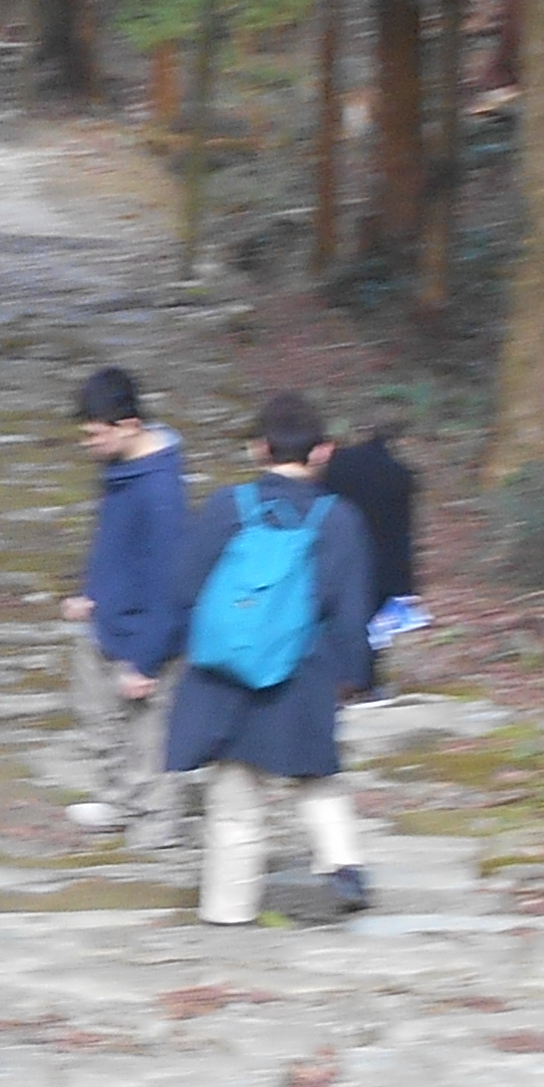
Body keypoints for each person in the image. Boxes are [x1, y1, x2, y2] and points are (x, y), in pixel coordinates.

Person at [159, 389, 377, 924]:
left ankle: (227, 913)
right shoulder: (340, 520)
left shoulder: (225, 507)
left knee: (234, 801)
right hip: (300, 673)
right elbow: (352, 611)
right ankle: (342, 862)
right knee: (316, 774)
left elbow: (184, 586)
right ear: (323, 451)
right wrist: (353, 676)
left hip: (224, 675)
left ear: (258, 448)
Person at [58, 366, 191, 855]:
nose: (86, 443)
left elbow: (172, 582)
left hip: (147, 634)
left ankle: (158, 826)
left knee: (150, 738)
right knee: (100, 718)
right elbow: (115, 546)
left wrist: (147, 660)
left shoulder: (161, 492)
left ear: (129, 426)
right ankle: (116, 801)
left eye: (94, 434)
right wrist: (92, 593)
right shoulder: (119, 470)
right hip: (108, 620)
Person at [317, 405, 424, 694]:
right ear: (402, 440)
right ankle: (365, 681)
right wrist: (408, 584)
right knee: (374, 627)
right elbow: (403, 531)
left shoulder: (339, 463)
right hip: (382, 562)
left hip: (336, 551)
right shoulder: (401, 476)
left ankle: (330, 678)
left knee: (334, 618)